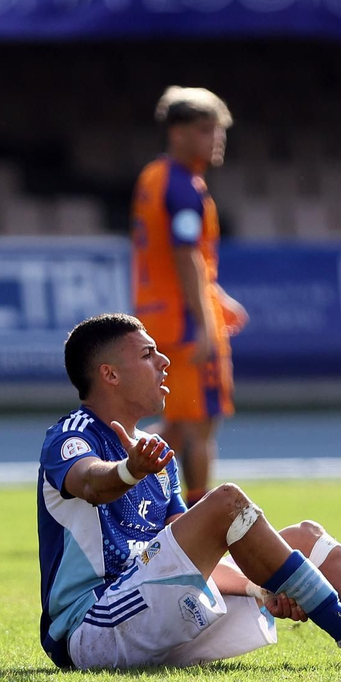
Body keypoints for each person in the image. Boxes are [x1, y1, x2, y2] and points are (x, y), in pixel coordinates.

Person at [37, 313, 341, 670]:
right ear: (109, 373)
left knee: (303, 538)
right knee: (227, 503)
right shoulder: (73, 433)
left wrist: (263, 587)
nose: (165, 361)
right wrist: (127, 471)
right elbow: (89, 480)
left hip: (152, 614)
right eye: (148, 354)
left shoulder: (152, 448)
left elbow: (183, 548)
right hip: (94, 629)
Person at [130, 87, 247, 507]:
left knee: (176, 425)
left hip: (156, 315)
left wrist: (217, 296)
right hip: (184, 322)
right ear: (176, 133)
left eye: (218, 130)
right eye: (204, 129)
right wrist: (203, 320)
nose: (215, 138)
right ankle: (199, 522)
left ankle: (110, 489)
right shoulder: (183, 187)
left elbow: (172, 256)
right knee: (200, 427)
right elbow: (185, 257)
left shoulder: (153, 177)